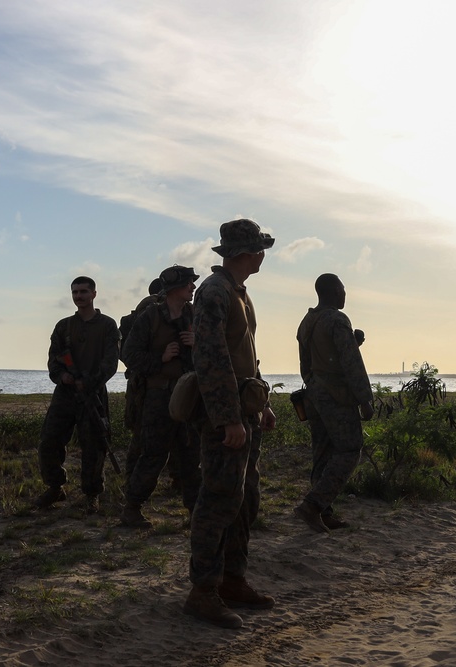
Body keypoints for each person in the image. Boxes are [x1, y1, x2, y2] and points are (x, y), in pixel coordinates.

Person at [183, 218, 277, 629]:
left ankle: (232, 580)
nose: (262, 256)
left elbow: (245, 357)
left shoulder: (238, 292)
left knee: (244, 500)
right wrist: (227, 419)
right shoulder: (214, 293)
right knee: (219, 499)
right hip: (227, 418)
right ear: (246, 253)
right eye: (259, 249)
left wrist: (261, 406)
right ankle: (203, 590)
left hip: (245, 412)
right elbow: (211, 359)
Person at [119, 266, 203, 529]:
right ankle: (132, 508)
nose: (192, 287)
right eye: (189, 283)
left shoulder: (195, 316)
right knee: (153, 454)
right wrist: (161, 359)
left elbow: (214, 353)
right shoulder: (150, 317)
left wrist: (197, 343)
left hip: (188, 395)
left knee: (192, 456)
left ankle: (195, 513)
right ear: (174, 288)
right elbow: (129, 355)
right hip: (158, 396)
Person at [293, 273, 374, 533]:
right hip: (336, 396)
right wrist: (365, 399)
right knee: (350, 449)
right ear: (332, 291)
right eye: (342, 288)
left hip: (314, 394)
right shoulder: (337, 320)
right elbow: (351, 364)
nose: (345, 293)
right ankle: (314, 505)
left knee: (322, 452)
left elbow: (307, 363)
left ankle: (323, 512)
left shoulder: (307, 321)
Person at [34, 276, 120, 514]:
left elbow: (111, 362)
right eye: (75, 292)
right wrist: (63, 377)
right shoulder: (63, 326)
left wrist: (89, 382)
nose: (79, 296)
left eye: (83, 291)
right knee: (49, 442)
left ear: (94, 294)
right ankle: (55, 487)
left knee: (94, 446)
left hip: (93, 394)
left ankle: (92, 494)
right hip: (65, 394)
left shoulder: (107, 325)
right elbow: (53, 360)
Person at [121, 276, 163, 478]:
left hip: (140, 383)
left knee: (140, 436)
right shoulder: (153, 312)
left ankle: (132, 479)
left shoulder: (141, 314)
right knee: (141, 437)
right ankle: (132, 480)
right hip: (146, 385)